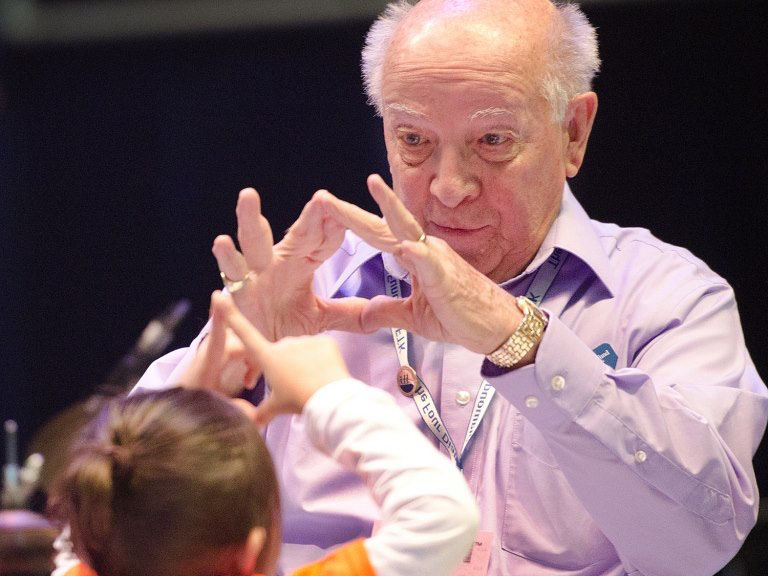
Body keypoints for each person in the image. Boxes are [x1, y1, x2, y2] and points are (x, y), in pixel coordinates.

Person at [133, 0, 768, 574]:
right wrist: (208, 380)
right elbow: (107, 525)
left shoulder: (665, 299)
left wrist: (516, 337)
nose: (447, 186)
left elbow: (698, 544)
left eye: (492, 141)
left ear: (574, 132)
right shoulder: (309, 291)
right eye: (414, 141)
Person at [50, 292, 478, 576]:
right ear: (252, 553)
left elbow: (85, 534)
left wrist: (176, 411)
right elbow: (443, 515)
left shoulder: (87, 560)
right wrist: (328, 391)